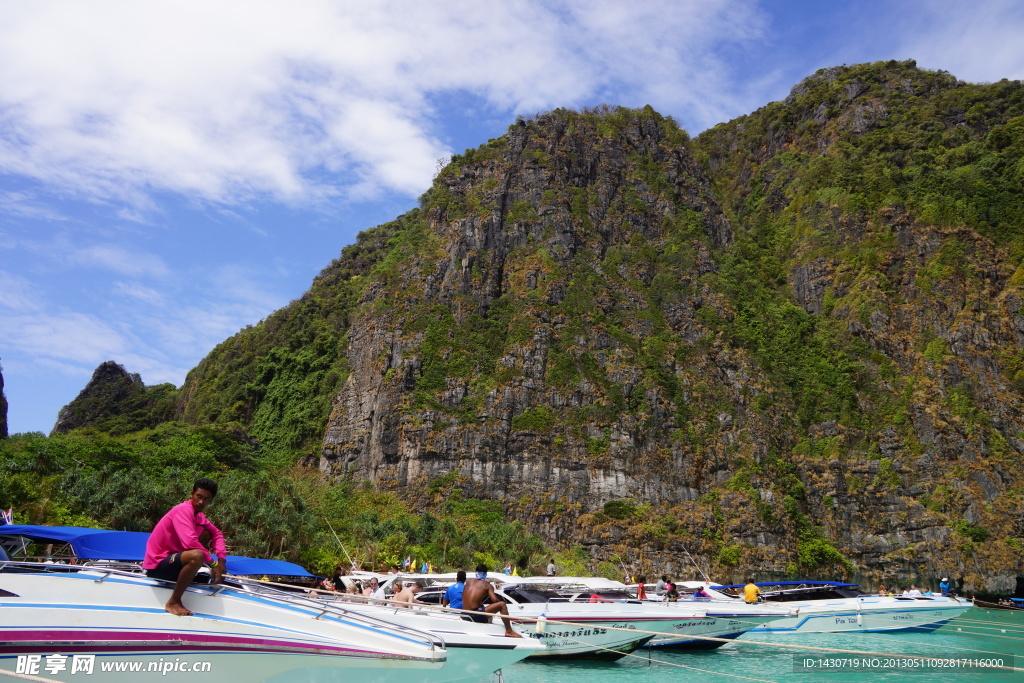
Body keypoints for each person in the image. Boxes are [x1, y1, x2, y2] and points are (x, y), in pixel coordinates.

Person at [143, 478, 227, 616]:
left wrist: (221, 561)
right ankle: (173, 602)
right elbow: (189, 542)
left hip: (175, 562)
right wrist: (212, 563)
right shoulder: (183, 510)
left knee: (207, 532)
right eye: (198, 496)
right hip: (158, 566)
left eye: (206, 499)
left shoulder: (199, 516)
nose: (201, 502)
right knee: (196, 555)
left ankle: (188, 575)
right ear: (192, 494)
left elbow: (217, 534)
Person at [463, 564, 522, 638]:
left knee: (482, 606)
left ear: (476, 572)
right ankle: (509, 631)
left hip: (464, 613)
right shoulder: (487, 585)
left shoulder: (469, 581)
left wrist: (479, 604)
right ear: (485, 574)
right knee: (502, 605)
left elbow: (466, 597)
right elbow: (494, 600)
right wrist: (498, 602)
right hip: (474, 615)